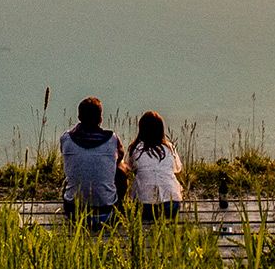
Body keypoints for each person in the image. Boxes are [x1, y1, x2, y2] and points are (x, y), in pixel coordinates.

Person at [58, 97, 124, 231]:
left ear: (79, 117)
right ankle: (119, 207)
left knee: (69, 178)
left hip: (74, 213)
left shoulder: (66, 138)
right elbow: (120, 157)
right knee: (121, 170)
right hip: (106, 212)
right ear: (100, 119)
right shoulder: (112, 139)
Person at [125, 110, 183, 223]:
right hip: (172, 204)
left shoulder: (135, 148)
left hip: (144, 205)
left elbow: (129, 168)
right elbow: (178, 169)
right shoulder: (169, 147)